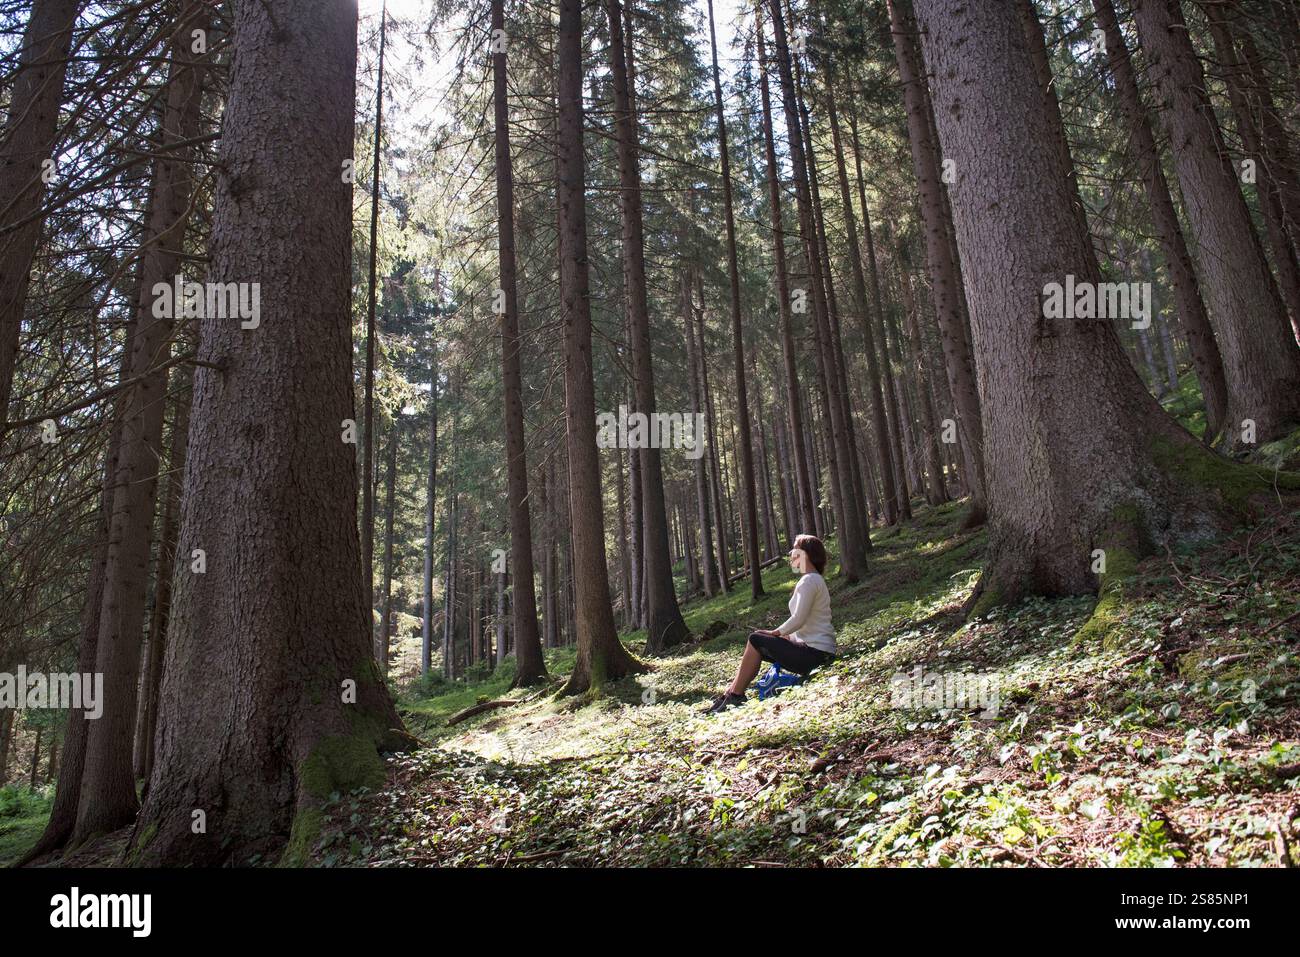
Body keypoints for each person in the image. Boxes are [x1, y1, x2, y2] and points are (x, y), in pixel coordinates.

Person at [702, 534, 836, 714]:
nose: (790, 553)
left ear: (805, 554)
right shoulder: (812, 579)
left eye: (794, 549)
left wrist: (776, 632)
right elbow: (805, 625)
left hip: (816, 655)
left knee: (756, 639)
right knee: (757, 639)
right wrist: (779, 635)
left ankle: (734, 695)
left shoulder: (809, 580)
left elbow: (799, 619)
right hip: (815, 652)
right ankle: (731, 694)